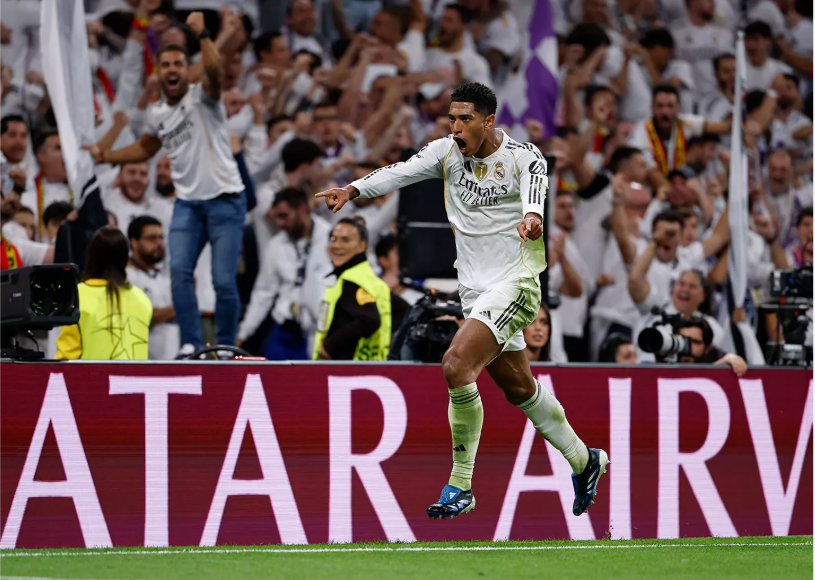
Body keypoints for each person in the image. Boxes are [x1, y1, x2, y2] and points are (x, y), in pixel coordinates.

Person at [315, 82, 608, 520]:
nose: (455, 127)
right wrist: (353, 190)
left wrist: (532, 218)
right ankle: (585, 460)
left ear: (488, 122)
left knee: (455, 365)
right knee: (519, 388)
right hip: (474, 291)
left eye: (464, 119)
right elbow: (400, 171)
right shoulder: (446, 153)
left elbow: (534, 198)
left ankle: (461, 484)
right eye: (451, 118)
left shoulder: (525, 157)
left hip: (516, 284)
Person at [84, 13, 247, 356]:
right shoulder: (157, 112)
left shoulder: (204, 96)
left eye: (178, 64)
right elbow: (146, 148)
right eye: (165, 65)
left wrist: (203, 34)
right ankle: (191, 342)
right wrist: (105, 155)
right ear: (158, 73)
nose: (172, 70)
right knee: (179, 274)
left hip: (225, 199)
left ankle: (226, 345)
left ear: (187, 71)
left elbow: (215, 71)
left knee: (222, 280)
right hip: (187, 203)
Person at [238, 186, 333, 359]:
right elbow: (263, 293)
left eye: (284, 216)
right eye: (277, 218)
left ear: (302, 209)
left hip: (319, 328)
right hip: (284, 327)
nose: (280, 224)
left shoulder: (331, 239)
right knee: (270, 373)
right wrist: (243, 334)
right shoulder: (276, 245)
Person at [56, 226, 152, 360]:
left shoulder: (76, 296)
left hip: (92, 374)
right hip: (136, 374)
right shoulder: (142, 299)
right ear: (125, 258)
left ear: (91, 256)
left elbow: (67, 355)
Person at [312, 217, 392, 361]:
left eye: (345, 240)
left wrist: (330, 346)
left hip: (346, 368)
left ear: (362, 246)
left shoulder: (352, 280)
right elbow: (402, 311)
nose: (337, 245)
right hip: (372, 366)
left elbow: (369, 320)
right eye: (333, 239)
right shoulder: (371, 279)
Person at [126, 216, 180, 361]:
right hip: (141, 359)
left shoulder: (165, 276)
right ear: (134, 242)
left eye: (161, 238)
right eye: (152, 238)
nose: (159, 243)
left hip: (173, 357)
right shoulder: (126, 276)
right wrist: (178, 307)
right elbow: (137, 317)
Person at [677, 317, 748, 376]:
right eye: (684, 340)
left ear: (707, 348)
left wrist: (731, 359)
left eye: (696, 342)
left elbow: (730, 358)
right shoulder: (670, 353)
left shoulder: (715, 356)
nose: (688, 346)